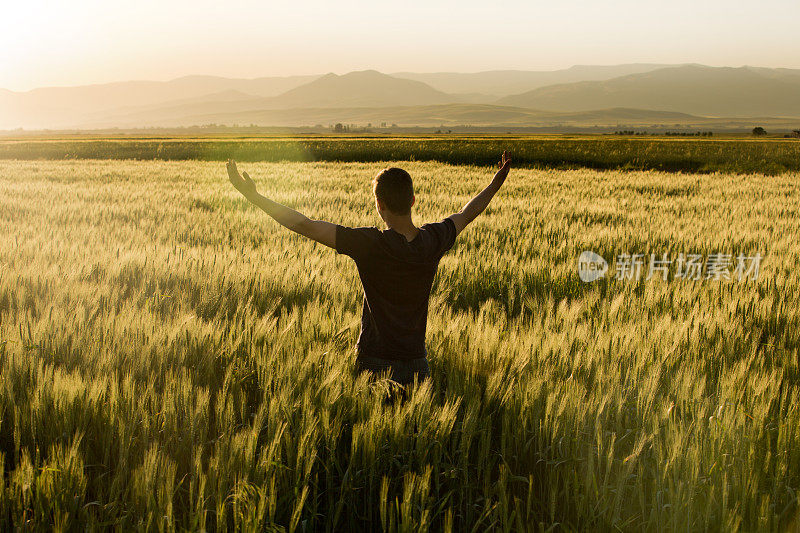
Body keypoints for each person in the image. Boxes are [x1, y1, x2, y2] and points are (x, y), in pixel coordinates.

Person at [226, 151, 512, 387]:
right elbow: (466, 214)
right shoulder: (433, 240)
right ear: (412, 200)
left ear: (379, 204)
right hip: (417, 362)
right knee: (412, 444)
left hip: (375, 360)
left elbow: (304, 225)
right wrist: (496, 182)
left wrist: (254, 197)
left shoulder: (369, 243)